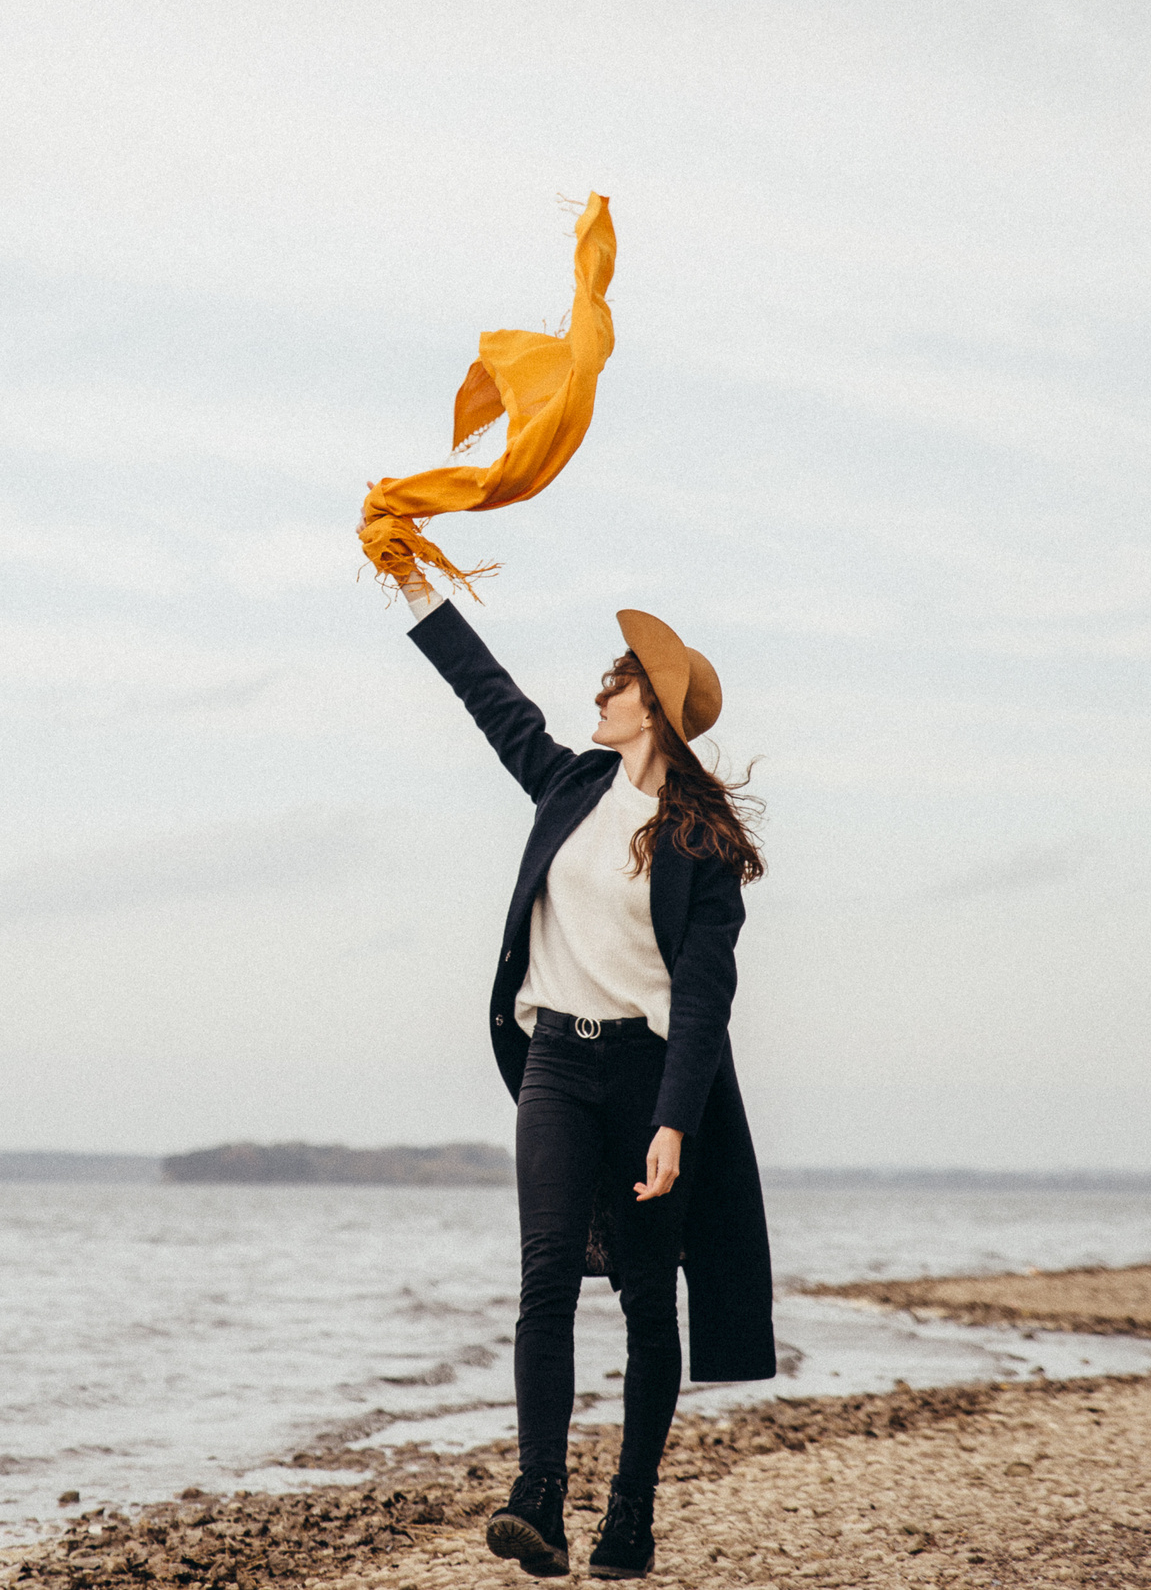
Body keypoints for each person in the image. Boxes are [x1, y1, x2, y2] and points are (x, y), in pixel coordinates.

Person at [393, 575, 776, 1580]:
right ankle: (538, 1500)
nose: (597, 696)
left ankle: (632, 1513)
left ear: (649, 704)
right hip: (555, 1062)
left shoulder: (702, 845)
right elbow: (490, 694)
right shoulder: (567, 783)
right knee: (546, 1271)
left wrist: (675, 1121)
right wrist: (413, 585)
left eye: (615, 684)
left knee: (649, 1300)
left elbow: (702, 1000)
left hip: (649, 1076)